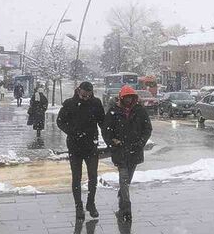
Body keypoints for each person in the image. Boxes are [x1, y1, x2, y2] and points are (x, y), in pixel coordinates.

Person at [102, 85, 152, 223]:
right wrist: (113, 142)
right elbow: (106, 131)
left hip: (134, 151)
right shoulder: (113, 112)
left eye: (131, 97)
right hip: (120, 151)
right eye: (126, 97)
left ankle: (122, 196)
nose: (129, 100)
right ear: (122, 98)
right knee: (123, 179)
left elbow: (147, 129)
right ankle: (126, 208)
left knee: (127, 179)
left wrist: (141, 142)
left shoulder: (140, 111)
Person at [56, 82, 106, 219]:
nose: (85, 98)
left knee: (93, 177)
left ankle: (91, 203)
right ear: (79, 91)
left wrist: (110, 137)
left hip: (91, 145)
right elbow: (60, 121)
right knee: (76, 177)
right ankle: (78, 206)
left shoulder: (96, 103)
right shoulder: (70, 104)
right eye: (83, 95)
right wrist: (72, 132)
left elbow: (103, 122)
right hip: (75, 145)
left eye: (88, 95)